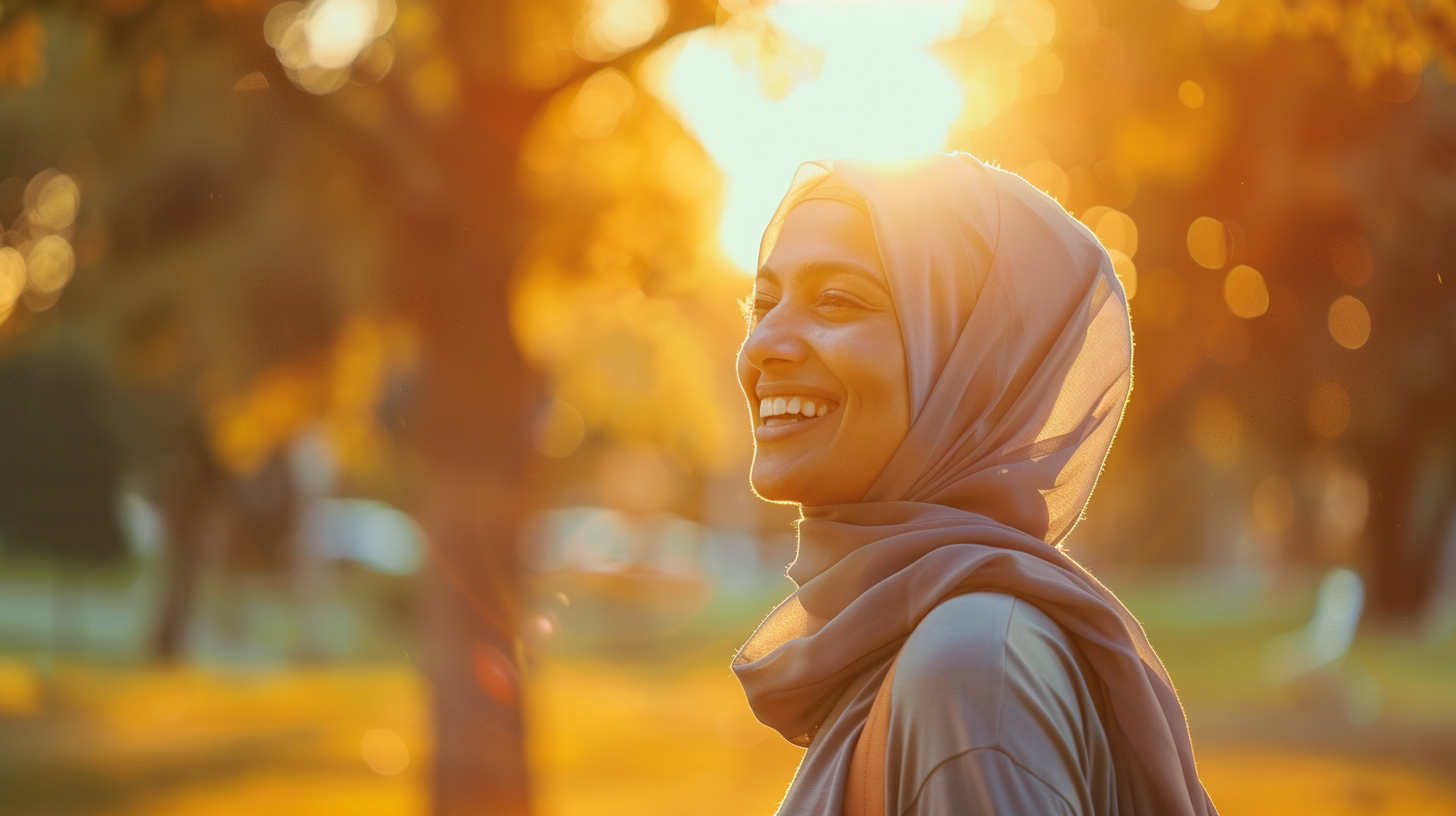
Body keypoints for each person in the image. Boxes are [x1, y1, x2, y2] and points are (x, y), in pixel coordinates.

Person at [731, 153, 1217, 816]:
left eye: (837, 300)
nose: (762, 344)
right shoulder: (906, 643)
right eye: (762, 303)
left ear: (970, 369)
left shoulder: (971, 672)